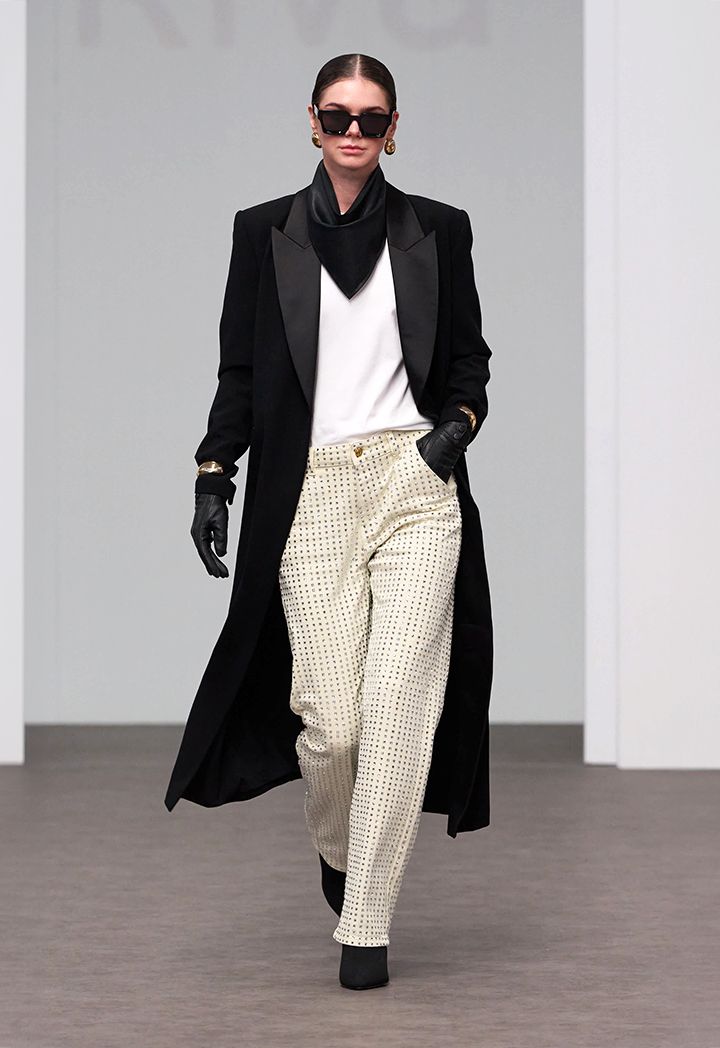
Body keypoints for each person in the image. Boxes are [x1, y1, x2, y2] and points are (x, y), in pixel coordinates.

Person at [165, 52, 494, 992]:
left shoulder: (439, 229)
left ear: (394, 129)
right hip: (308, 491)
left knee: (398, 706)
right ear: (311, 122)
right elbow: (239, 370)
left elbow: (468, 361)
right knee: (333, 724)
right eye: (338, 116)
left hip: (413, 486)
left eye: (371, 118)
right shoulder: (262, 231)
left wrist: (448, 439)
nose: (354, 132)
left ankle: (366, 923)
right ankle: (344, 851)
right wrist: (215, 474)